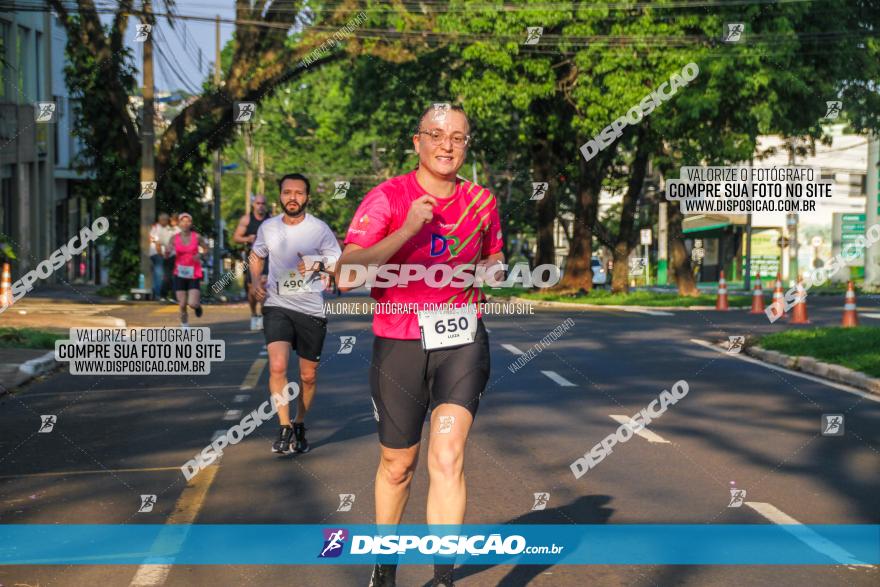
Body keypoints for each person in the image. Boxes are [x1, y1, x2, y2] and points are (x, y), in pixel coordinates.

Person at [337, 104, 504, 587]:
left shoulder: (482, 202)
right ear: (417, 142)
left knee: (448, 455)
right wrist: (408, 228)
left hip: (461, 340)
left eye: (458, 137)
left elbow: (493, 256)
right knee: (398, 465)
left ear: (467, 145)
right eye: (436, 135)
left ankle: (444, 576)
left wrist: (490, 273)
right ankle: (385, 568)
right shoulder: (387, 198)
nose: (447, 145)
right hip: (400, 343)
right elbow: (347, 274)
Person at [250, 173, 341, 455]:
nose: (293, 197)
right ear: (280, 196)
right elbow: (257, 255)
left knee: (308, 375)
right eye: (287, 192)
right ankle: (284, 425)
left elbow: (339, 263)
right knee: (277, 366)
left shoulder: (320, 229)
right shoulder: (268, 227)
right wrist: (255, 281)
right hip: (277, 305)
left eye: (299, 193)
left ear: (307, 197)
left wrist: (315, 263)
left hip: (311, 309)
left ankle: (300, 422)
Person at [233, 194, 271, 330]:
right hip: (251, 257)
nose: (260, 206)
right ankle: (253, 314)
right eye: (258, 203)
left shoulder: (270, 220)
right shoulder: (247, 219)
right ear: (253, 205)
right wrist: (247, 239)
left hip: (267, 256)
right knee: (251, 289)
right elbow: (236, 237)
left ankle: (261, 316)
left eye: (263, 204)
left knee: (263, 284)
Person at [172, 213, 208, 328]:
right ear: (179, 223)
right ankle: (184, 325)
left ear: (191, 224)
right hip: (179, 273)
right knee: (182, 304)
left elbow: (206, 249)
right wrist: (166, 252)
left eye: (188, 221)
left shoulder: (197, 237)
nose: (185, 224)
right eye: (183, 221)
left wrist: (200, 255)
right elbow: (167, 250)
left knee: (192, 303)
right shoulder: (174, 238)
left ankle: (197, 306)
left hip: (194, 273)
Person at [148, 213, 174, 301]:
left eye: (166, 220)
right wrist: (160, 252)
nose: (164, 221)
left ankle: (157, 293)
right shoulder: (156, 227)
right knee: (159, 274)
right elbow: (155, 241)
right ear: (159, 220)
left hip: (165, 254)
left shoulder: (168, 229)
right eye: (162, 219)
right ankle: (158, 294)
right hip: (157, 253)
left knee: (159, 274)